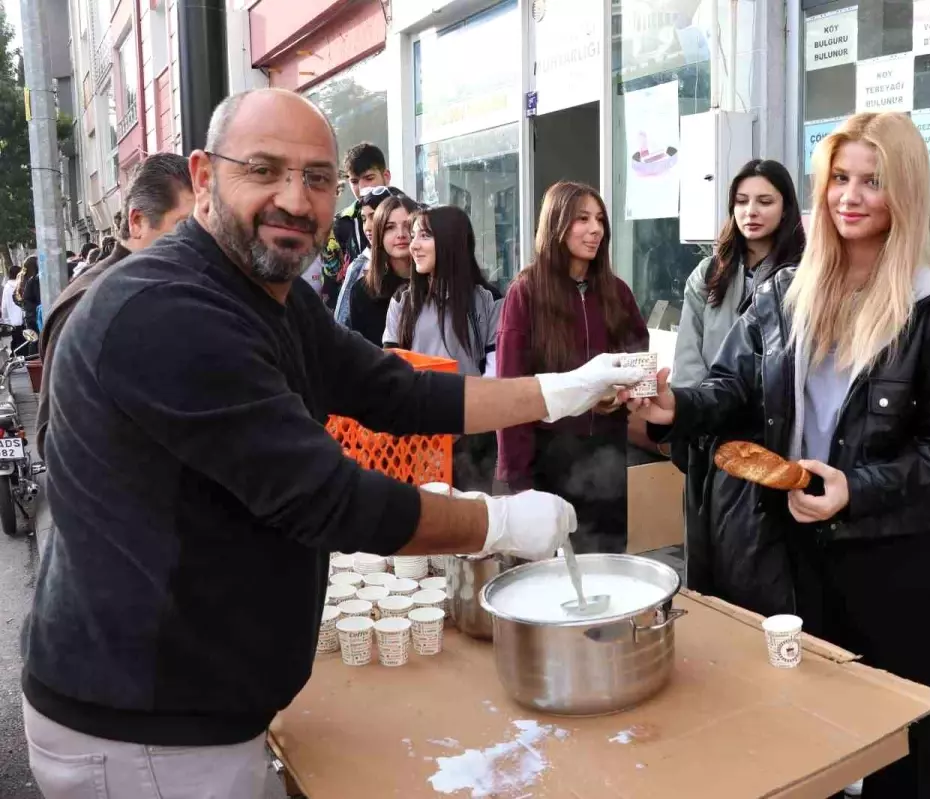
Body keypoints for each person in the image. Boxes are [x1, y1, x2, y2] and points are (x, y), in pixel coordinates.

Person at [22, 88, 644, 799]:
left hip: (198, 706)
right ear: (203, 176)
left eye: (317, 178)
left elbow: (397, 390)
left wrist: (559, 389)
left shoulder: (271, 295)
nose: (295, 198)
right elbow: (327, 498)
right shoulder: (168, 312)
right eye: (264, 170)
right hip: (145, 728)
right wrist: (497, 522)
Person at [628, 112, 930, 798]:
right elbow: (733, 385)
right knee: (804, 736)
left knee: (895, 748)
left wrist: (858, 486)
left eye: (871, 181)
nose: (849, 195)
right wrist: (678, 409)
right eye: (840, 178)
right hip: (792, 547)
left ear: (904, 190)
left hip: (890, 556)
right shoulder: (787, 293)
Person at [670, 158, 806, 592]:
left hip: (773, 442)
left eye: (765, 201)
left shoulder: (805, 275)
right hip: (711, 434)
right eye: (742, 201)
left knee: (767, 573)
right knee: (711, 562)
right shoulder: (710, 274)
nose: (751, 211)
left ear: (785, 209)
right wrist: (686, 422)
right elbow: (689, 359)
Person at [497, 181, 649, 554]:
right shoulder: (527, 292)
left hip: (607, 456)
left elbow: (638, 356)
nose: (595, 229)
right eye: (582, 218)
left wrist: (626, 392)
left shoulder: (617, 291)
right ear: (556, 224)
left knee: (608, 568)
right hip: (549, 456)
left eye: (599, 219)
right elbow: (511, 387)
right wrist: (518, 481)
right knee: (551, 573)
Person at [35, 152, 195, 455]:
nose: (201, 244)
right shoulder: (88, 305)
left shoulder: (163, 290)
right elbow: (53, 436)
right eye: (185, 227)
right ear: (137, 221)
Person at [386, 205, 504, 491]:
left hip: (473, 435)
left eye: (424, 236)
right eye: (414, 236)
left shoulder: (488, 299)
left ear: (451, 241)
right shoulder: (403, 301)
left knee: (472, 521)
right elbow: (391, 368)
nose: (413, 245)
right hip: (419, 434)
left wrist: (464, 419)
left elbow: (495, 370)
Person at [320, 142, 391, 309]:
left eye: (369, 178)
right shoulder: (340, 226)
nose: (361, 188)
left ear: (386, 176)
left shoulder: (411, 216)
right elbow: (331, 290)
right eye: (354, 181)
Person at [337, 186, 410, 327]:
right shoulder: (361, 280)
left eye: (374, 217)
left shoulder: (435, 283)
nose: (369, 227)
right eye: (364, 219)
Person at [2, 262, 23, 344]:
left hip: (13, 323)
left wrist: (6, 322)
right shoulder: (22, 286)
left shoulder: (7, 288)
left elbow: (4, 307)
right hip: (24, 321)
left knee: (17, 344)